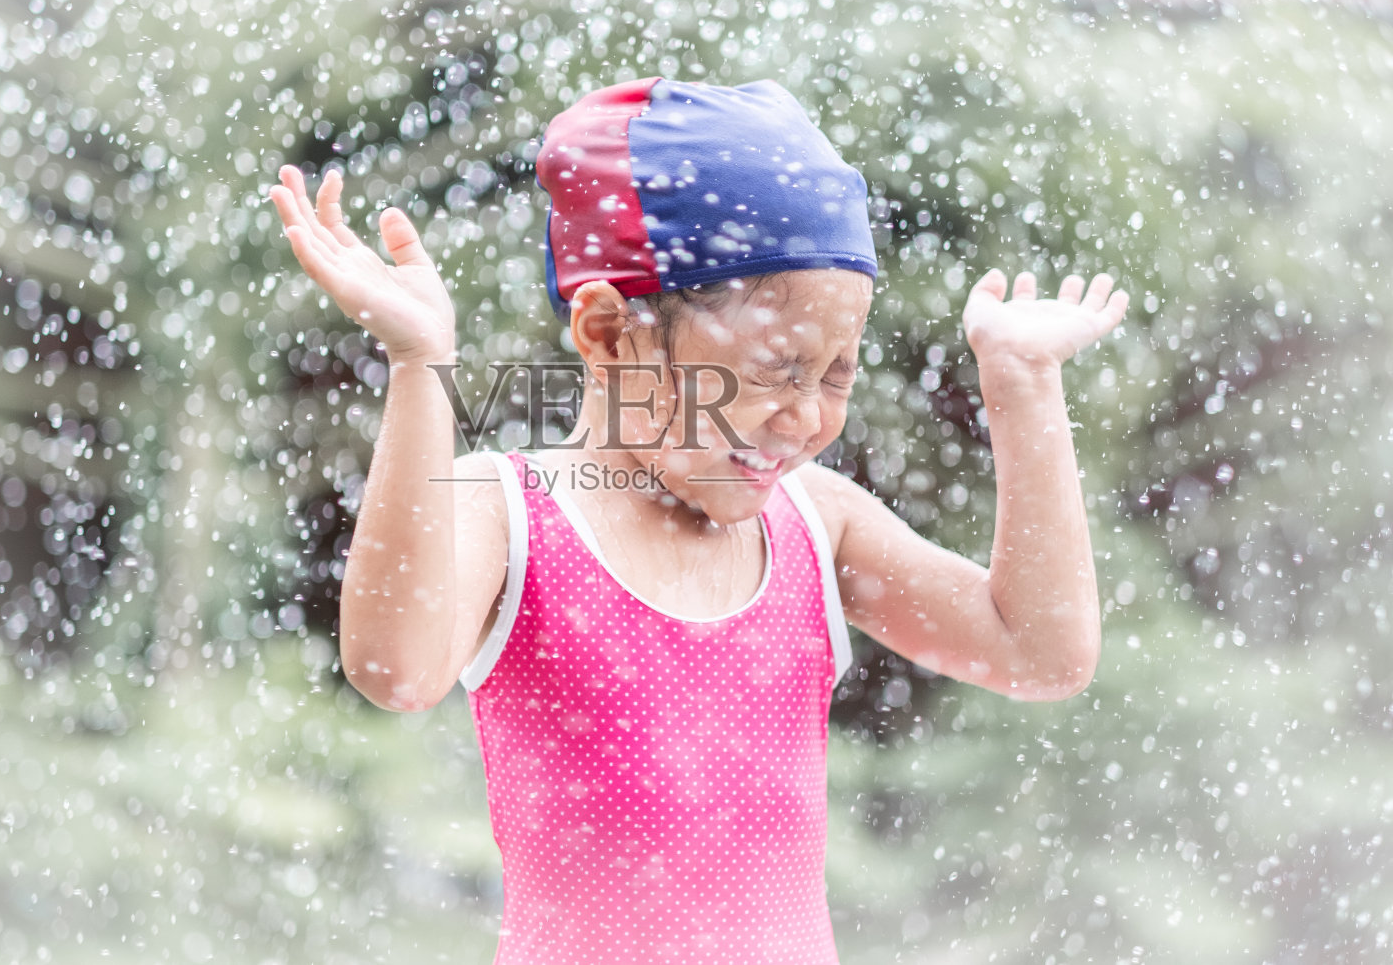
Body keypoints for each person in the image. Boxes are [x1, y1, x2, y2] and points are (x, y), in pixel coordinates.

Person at [269, 76, 1130, 964]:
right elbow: (394, 669)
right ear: (609, 336)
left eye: (836, 374)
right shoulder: (512, 515)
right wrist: (421, 364)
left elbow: (1039, 652)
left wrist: (1022, 388)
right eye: (773, 369)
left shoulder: (814, 523)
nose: (806, 419)